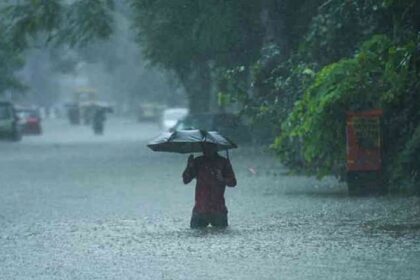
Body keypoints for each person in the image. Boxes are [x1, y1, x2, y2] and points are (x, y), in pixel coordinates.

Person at [182, 143, 237, 228]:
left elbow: (233, 182)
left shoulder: (223, 162)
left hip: (218, 208)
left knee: (221, 236)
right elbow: (186, 180)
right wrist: (189, 166)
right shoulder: (198, 162)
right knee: (196, 235)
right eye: (204, 147)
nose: (206, 150)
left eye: (209, 147)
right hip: (201, 208)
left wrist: (222, 179)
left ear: (215, 147)